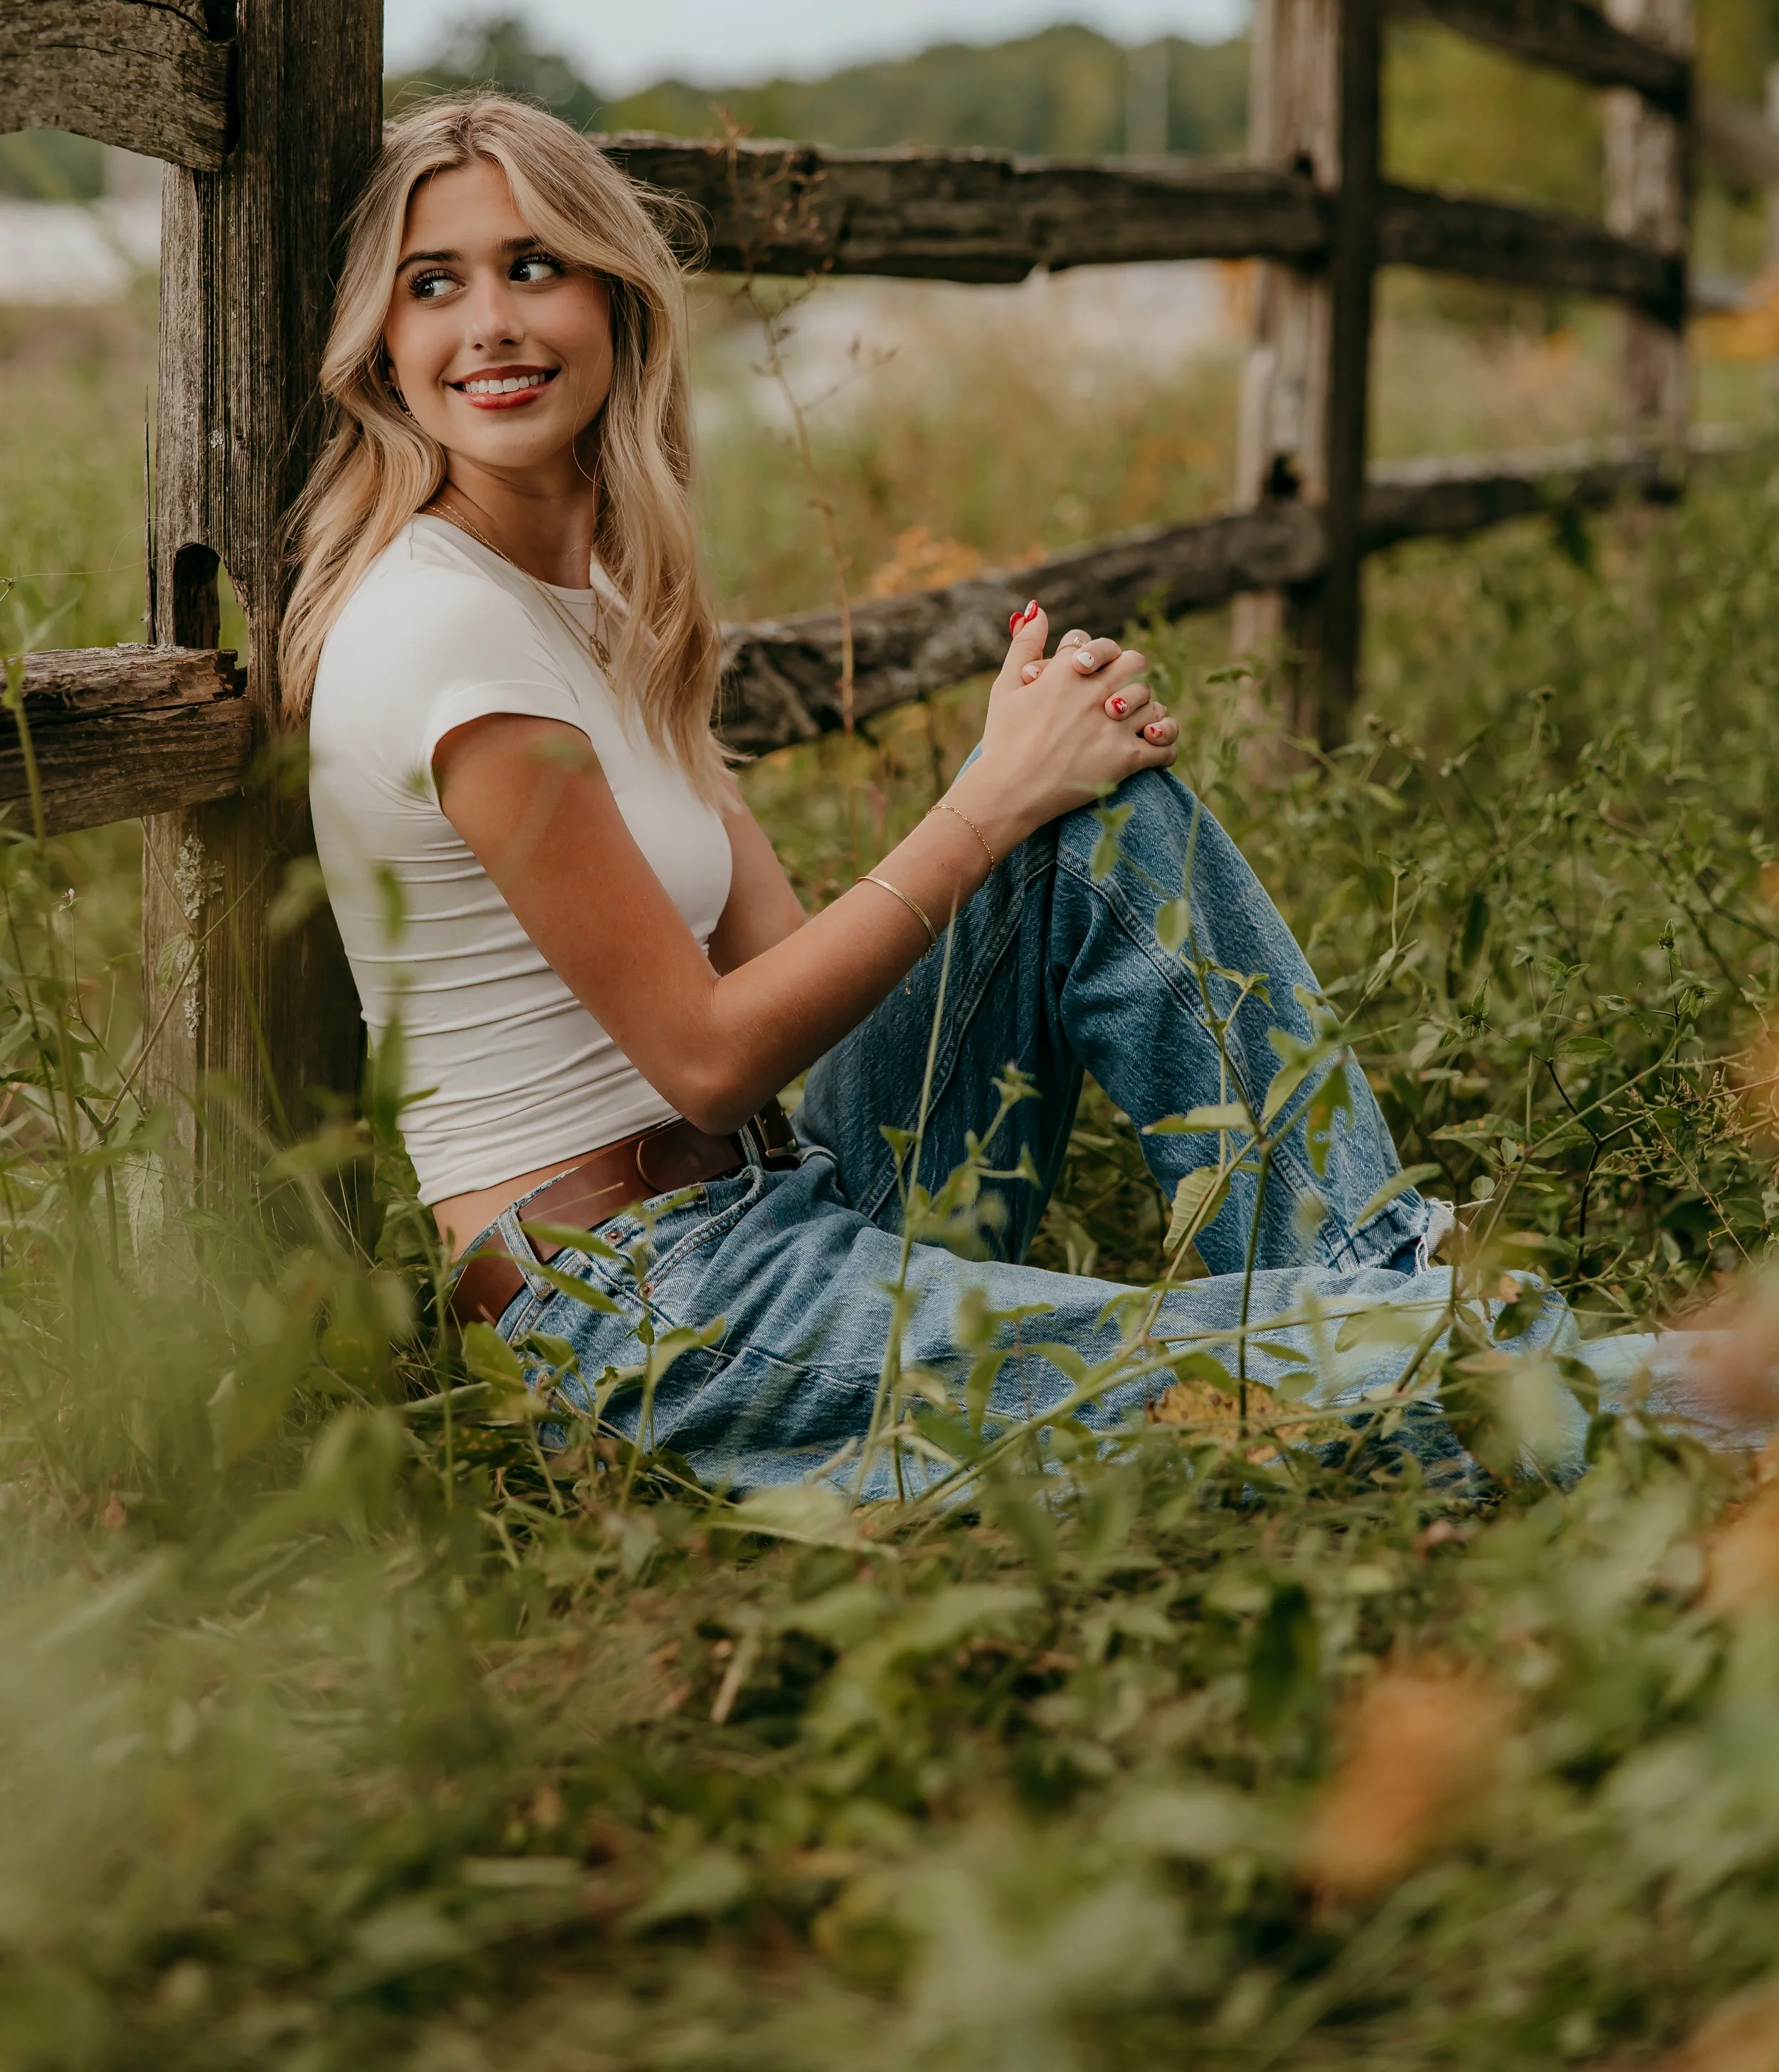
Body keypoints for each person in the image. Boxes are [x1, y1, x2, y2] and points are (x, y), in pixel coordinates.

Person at [289, 95, 1774, 1499]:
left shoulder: (603, 598)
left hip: (775, 1198)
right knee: (1222, 1374)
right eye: (433, 283)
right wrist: (979, 805)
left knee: (1096, 814)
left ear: (613, 299)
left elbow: (794, 977)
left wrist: (1031, 785)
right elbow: (703, 1059)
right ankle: (1547, 1377)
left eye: (532, 266)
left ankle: (1387, 1322)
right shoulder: (446, 633)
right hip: (634, 1315)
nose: (487, 322)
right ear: (380, 340)